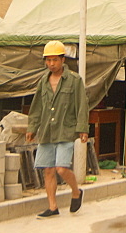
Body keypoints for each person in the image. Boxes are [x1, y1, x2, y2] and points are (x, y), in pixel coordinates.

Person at [26, 40, 90, 218]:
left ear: (63, 60)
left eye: (54, 60)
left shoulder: (74, 80)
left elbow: (81, 105)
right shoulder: (43, 82)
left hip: (66, 129)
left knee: (61, 168)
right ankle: (52, 207)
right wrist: (32, 127)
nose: (51, 64)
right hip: (47, 130)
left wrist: (82, 128)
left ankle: (76, 192)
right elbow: (37, 106)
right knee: (48, 169)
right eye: (48, 60)